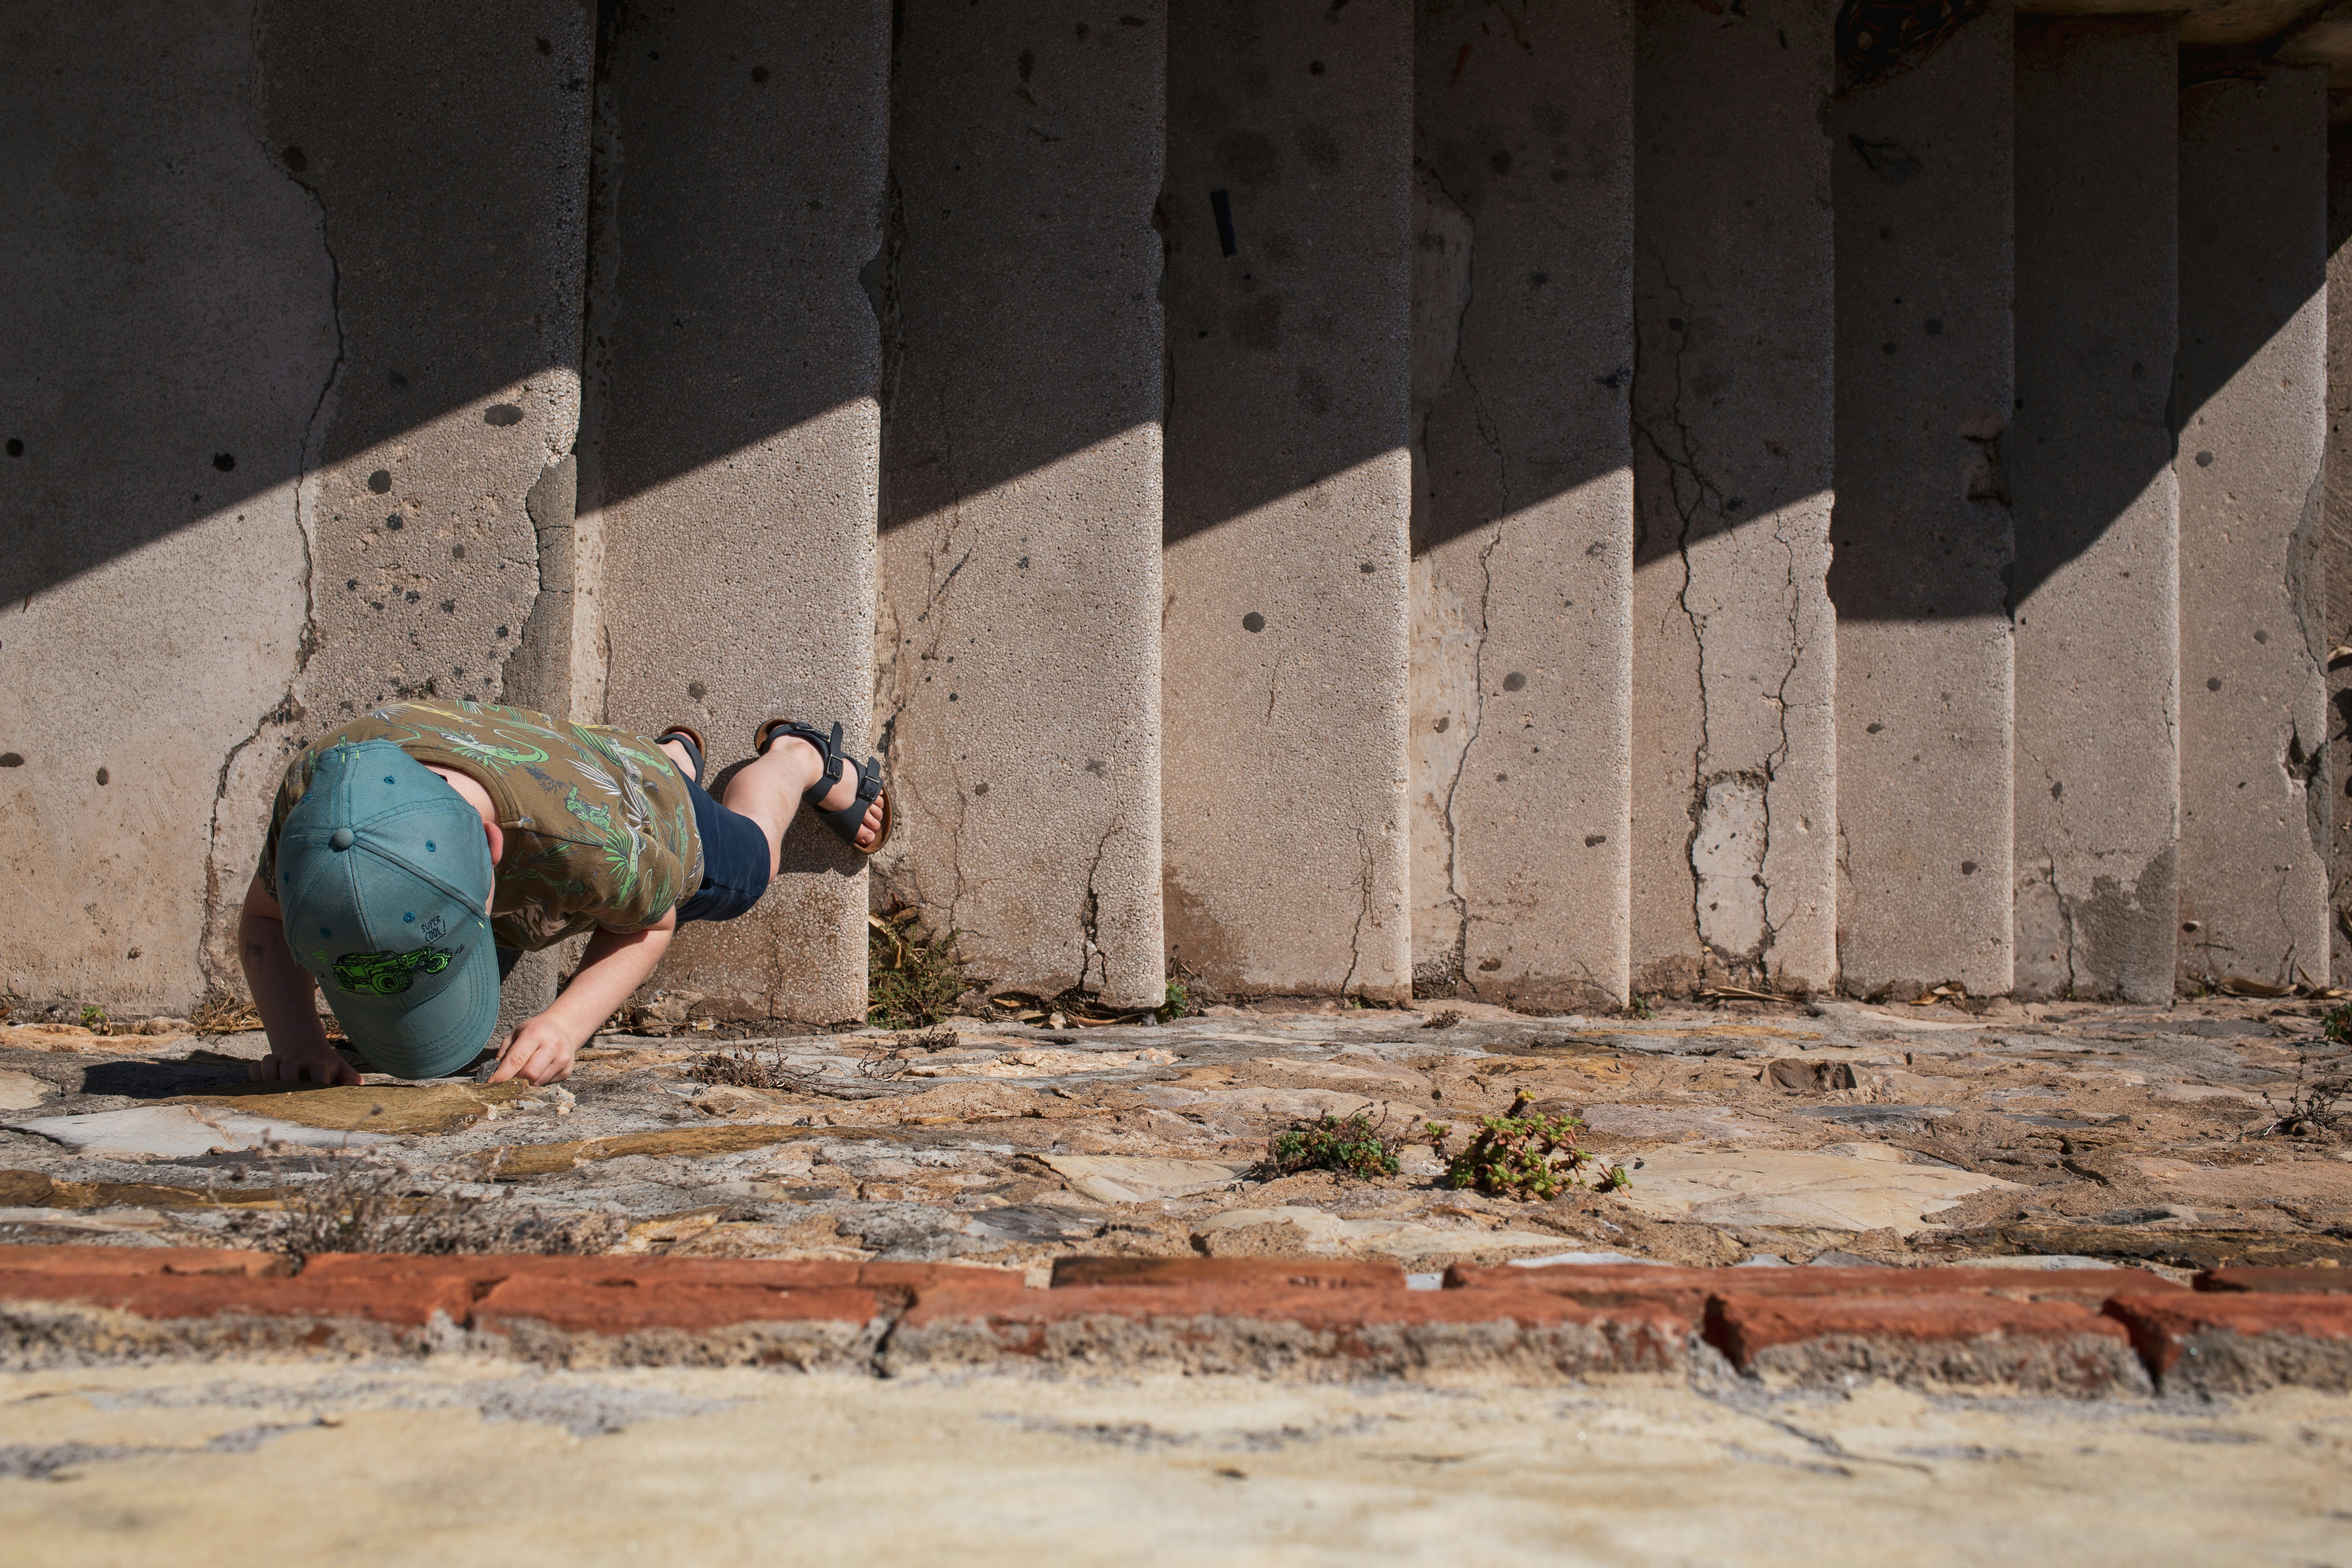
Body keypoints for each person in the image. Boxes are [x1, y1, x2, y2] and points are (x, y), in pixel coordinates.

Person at [237, 699, 889, 1088]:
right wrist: (298, 1041)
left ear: (495, 848)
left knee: (746, 868)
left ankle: (795, 758)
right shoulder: (318, 796)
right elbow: (264, 925)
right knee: (627, 773)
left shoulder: (593, 850)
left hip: (643, 811)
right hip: (548, 758)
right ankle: (667, 756)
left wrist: (564, 1024)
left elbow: (650, 924)